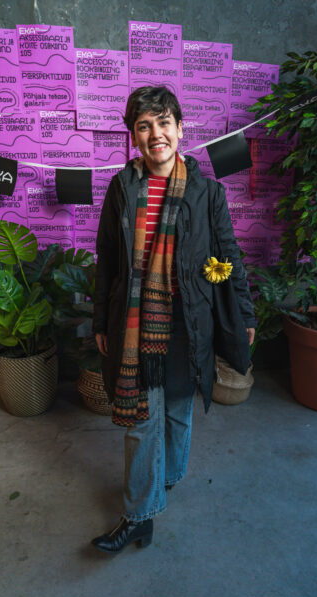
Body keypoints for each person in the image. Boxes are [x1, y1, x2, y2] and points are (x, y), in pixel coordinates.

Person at [90, 86, 256, 554]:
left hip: (188, 321)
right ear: (134, 136)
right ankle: (139, 516)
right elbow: (107, 258)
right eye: (144, 126)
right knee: (143, 419)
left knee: (179, 409)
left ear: (181, 130)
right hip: (134, 321)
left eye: (164, 123)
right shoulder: (122, 188)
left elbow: (228, 255)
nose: (155, 134)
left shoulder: (207, 193)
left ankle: (167, 476)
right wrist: (101, 319)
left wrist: (244, 312)